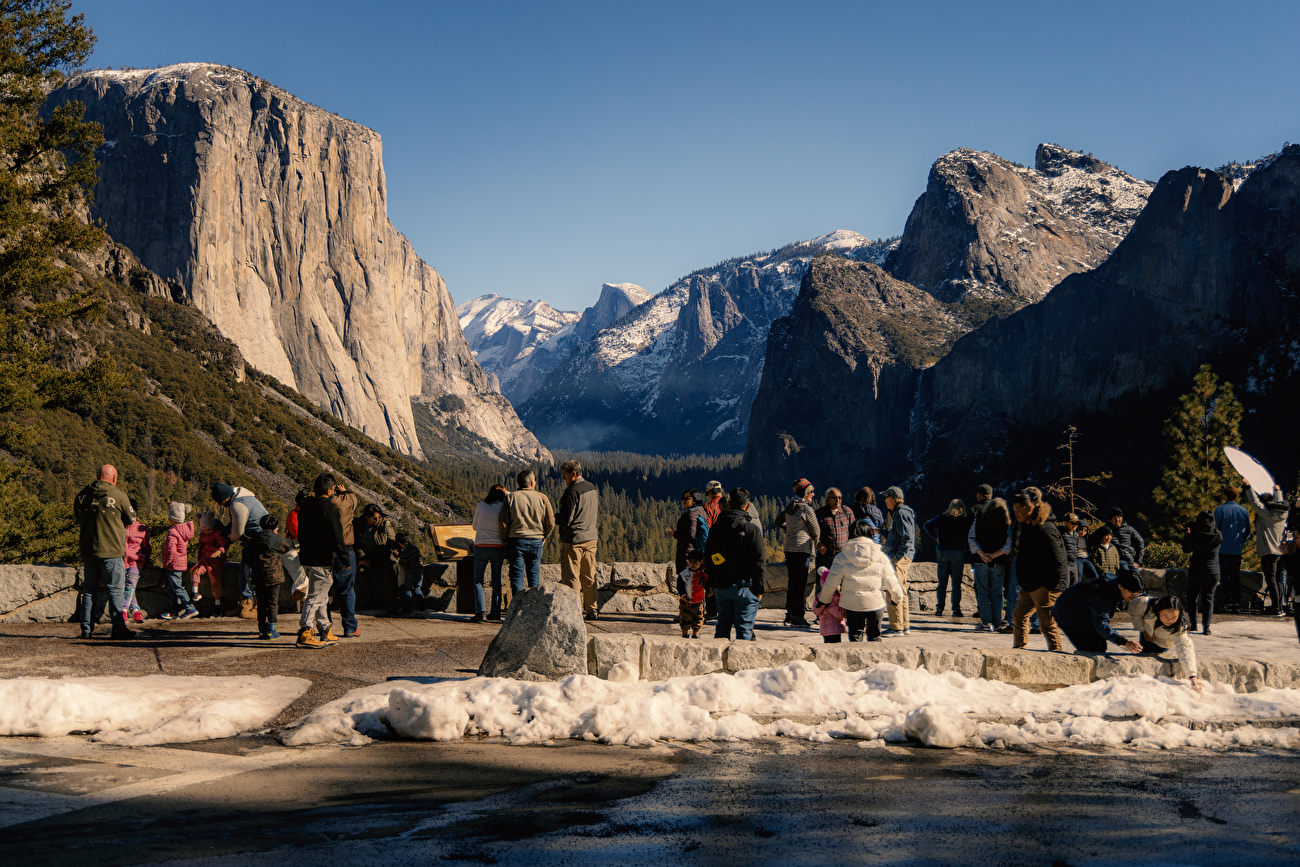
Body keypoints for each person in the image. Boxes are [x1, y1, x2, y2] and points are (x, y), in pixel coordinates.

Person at [74, 465, 139, 640]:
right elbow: (131, 519)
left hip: (89, 550)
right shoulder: (119, 496)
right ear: (114, 478)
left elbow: (78, 517)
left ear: (97, 476)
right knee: (116, 590)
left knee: (89, 590)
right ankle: (118, 628)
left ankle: (86, 630)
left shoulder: (81, 496)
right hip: (111, 550)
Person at [819, 518, 905, 642]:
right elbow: (891, 580)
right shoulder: (881, 556)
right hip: (876, 603)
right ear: (870, 534)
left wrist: (824, 600)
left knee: (855, 637)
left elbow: (831, 582)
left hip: (852, 605)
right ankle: (876, 660)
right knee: (875, 637)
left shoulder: (841, 557)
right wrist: (897, 598)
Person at [1009, 488, 1068, 651]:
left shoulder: (1045, 529)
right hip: (1030, 584)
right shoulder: (1027, 526)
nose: (1016, 515)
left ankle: (1056, 653)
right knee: (1019, 616)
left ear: (1029, 508)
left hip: (1045, 586)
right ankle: (1019, 649)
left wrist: (1047, 588)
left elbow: (1059, 562)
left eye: (1018, 511)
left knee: (1047, 624)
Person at [703, 488, 765, 641]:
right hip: (744, 587)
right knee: (744, 630)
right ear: (748, 506)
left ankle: (719, 661)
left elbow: (708, 556)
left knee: (722, 628)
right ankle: (743, 664)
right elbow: (759, 561)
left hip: (721, 588)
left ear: (729, 504)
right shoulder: (751, 530)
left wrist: (711, 582)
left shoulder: (716, 528)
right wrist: (760, 588)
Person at [296, 474, 346, 648]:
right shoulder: (329, 508)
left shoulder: (304, 508)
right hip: (321, 558)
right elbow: (337, 536)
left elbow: (300, 533)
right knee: (316, 596)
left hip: (307, 557)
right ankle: (305, 631)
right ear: (330, 490)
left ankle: (325, 629)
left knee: (322, 596)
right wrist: (344, 557)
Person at [1124, 594, 1204, 691]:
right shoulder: (1145, 604)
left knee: (1149, 654)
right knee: (1143, 652)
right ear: (1158, 611)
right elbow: (1133, 609)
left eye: (1174, 617)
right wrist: (1143, 631)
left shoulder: (1180, 628)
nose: (1170, 620)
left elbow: (1185, 649)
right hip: (1148, 631)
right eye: (1165, 616)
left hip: (1162, 642)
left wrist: (1192, 676)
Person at [1053, 569, 1145, 654]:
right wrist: (1124, 642)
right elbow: (1101, 624)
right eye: (1132, 593)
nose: (1135, 596)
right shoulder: (1103, 595)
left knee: (1100, 643)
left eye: (1137, 593)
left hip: (1083, 610)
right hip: (1067, 612)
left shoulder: (1116, 583)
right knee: (1094, 648)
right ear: (1120, 586)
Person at [210, 483, 266, 620]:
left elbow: (238, 532)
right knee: (243, 570)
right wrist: (221, 531)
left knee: (250, 573)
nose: (219, 504)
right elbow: (236, 522)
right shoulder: (243, 498)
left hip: (258, 541)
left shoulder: (238, 505)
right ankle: (246, 604)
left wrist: (227, 541)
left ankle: (258, 607)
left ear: (226, 498)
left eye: (220, 501)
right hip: (254, 540)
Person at [557, 460, 600, 621]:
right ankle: (592, 610)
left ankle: (574, 611)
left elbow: (566, 519)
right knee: (589, 575)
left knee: (572, 576)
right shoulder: (592, 488)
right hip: (591, 537)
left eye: (564, 475)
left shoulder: (572, 491)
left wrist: (553, 518)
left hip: (573, 539)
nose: (563, 478)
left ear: (573, 474)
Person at [500, 469, 555, 598]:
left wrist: (506, 539)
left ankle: (518, 610)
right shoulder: (542, 497)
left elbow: (503, 523)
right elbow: (551, 522)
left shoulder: (510, 497)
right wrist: (544, 536)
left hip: (516, 540)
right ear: (531, 483)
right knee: (534, 577)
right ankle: (533, 609)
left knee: (517, 577)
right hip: (536, 540)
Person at [968, 494, 1012, 633]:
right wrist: (994, 555)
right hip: (998, 562)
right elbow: (1008, 545)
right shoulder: (1007, 524)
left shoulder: (979, 520)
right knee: (997, 592)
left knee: (983, 591)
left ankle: (986, 622)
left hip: (980, 561)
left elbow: (971, 538)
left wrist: (982, 554)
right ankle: (997, 622)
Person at [1243, 483, 1289, 615]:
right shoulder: (1283, 512)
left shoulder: (1267, 514)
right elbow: (1278, 502)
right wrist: (1278, 491)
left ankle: (1275, 608)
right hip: (1280, 551)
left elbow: (1255, 503)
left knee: (1271, 579)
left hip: (1269, 551)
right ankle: (1279, 606)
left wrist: (1248, 488)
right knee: (1278, 580)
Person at [780, 478, 820, 628]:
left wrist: (791, 530)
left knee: (792, 582)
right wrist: (818, 545)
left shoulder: (791, 506)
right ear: (804, 492)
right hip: (802, 549)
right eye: (810, 492)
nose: (813, 494)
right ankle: (798, 615)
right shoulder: (805, 508)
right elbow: (816, 531)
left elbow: (779, 521)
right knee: (800, 583)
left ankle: (790, 613)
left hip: (789, 548)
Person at [878, 486, 915, 636]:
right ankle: (904, 625)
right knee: (901, 591)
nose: (885, 501)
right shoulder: (900, 513)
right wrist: (881, 532)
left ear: (892, 498)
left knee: (893, 590)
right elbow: (897, 535)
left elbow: (907, 538)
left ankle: (896, 627)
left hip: (899, 558)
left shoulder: (900, 513)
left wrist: (897, 557)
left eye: (886, 497)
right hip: (903, 557)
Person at [923, 499, 969, 617]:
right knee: (956, 583)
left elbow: (926, 525)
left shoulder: (942, 519)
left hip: (942, 551)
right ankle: (956, 609)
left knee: (942, 582)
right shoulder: (964, 521)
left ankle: (940, 608)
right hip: (957, 552)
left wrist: (936, 538)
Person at [325, 479, 360, 635]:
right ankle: (350, 627)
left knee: (322, 591)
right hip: (345, 550)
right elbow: (353, 498)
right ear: (332, 489)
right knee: (346, 589)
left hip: (323, 551)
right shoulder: (345, 503)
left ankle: (325, 627)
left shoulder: (318, 505)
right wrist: (344, 491)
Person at [246, 514, 289, 640]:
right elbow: (286, 549)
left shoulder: (254, 539)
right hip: (274, 576)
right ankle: (272, 629)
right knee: (272, 602)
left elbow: (247, 557)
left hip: (258, 575)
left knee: (261, 602)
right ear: (276, 526)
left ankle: (261, 629)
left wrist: (255, 566)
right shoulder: (277, 539)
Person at [1181, 510, 1222, 635]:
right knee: (1208, 598)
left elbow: (1186, 549)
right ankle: (1207, 627)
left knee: (1192, 596)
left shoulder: (1195, 535)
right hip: (1213, 571)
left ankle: (1193, 624)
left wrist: (1188, 534)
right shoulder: (1217, 535)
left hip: (1197, 570)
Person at [473, 485, 509, 622]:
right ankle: (495, 612)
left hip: (481, 545)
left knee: (478, 581)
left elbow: (474, 526)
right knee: (496, 581)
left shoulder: (481, 505)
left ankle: (480, 612)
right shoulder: (503, 507)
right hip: (498, 546)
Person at [355, 503, 399, 613]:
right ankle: (367, 600)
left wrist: (396, 549)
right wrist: (361, 557)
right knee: (362, 571)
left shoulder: (384, 524)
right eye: (374, 518)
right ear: (366, 516)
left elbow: (391, 541)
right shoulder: (358, 524)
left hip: (383, 555)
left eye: (379, 517)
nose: (377, 520)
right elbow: (355, 543)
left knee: (387, 571)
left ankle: (392, 601)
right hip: (367, 556)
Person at [1213, 485, 1250, 613]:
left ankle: (1228, 602)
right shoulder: (1243, 511)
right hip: (1237, 548)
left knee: (1225, 576)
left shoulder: (1220, 510)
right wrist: (1242, 542)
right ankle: (1236, 602)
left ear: (1225, 495)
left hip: (1223, 548)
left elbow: (1215, 529)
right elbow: (1248, 530)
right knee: (1235, 576)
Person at [158, 502, 197, 622]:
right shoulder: (184, 531)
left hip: (173, 564)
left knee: (177, 587)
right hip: (181, 563)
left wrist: (166, 562)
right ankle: (173, 611)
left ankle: (190, 608)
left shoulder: (173, 533)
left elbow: (171, 550)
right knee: (173, 588)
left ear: (173, 519)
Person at [667, 488, 709, 577]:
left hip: (688, 552)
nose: (684, 500)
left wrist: (675, 534)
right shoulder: (701, 511)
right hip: (696, 550)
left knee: (687, 580)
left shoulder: (692, 514)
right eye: (683, 498)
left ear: (695, 499)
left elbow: (691, 535)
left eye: (687, 498)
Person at [121, 500, 150, 625]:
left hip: (136, 562)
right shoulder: (119, 527)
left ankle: (123, 611)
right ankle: (135, 611)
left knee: (129, 586)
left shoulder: (142, 528)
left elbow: (147, 547)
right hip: (121, 562)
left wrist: (147, 560)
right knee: (129, 587)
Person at [700, 480, 725, 625]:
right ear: (721, 491)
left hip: (713, 547)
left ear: (709, 493)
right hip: (728, 546)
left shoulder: (707, 507)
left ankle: (711, 611)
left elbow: (706, 529)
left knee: (710, 577)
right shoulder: (728, 504)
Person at [193, 511, 228, 611]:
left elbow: (225, 542)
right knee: (194, 570)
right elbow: (200, 547)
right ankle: (195, 593)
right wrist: (199, 559)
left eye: (208, 530)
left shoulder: (218, 532)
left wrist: (220, 551)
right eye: (204, 530)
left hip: (216, 560)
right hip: (204, 558)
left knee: (214, 579)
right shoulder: (202, 534)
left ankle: (217, 603)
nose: (206, 532)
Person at [815, 488, 854, 573]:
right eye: (834, 498)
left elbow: (854, 531)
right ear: (827, 499)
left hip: (843, 555)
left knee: (842, 584)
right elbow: (812, 532)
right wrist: (818, 543)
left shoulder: (847, 511)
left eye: (840, 498)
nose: (838, 500)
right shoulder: (819, 513)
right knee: (824, 583)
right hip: (825, 556)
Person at [283, 489, 308, 607]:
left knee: (301, 566)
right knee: (301, 565)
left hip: (301, 548)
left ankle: (300, 592)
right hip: (294, 548)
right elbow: (298, 534)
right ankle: (301, 593)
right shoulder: (294, 515)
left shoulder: (302, 514)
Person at [811, 566, 848, 643]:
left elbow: (815, 610)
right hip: (835, 629)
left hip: (825, 629)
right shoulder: (834, 598)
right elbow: (840, 613)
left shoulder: (820, 595)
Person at [392, 531, 425, 615]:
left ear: (400, 543)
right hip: (420, 571)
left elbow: (403, 564)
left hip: (411, 572)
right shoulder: (415, 548)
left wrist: (399, 558)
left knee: (408, 589)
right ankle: (423, 604)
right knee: (417, 588)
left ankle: (407, 608)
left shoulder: (405, 551)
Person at [677, 550, 708, 638]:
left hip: (698, 602)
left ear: (701, 562)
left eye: (695, 562)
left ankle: (696, 634)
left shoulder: (703, 575)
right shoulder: (683, 574)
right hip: (685, 602)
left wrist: (710, 591)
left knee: (698, 618)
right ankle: (685, 634)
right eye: (690, 561)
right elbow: (680, 587)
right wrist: (684, 596)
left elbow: (707, 585)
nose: (692, 564)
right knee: (685, 618)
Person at [1060, 514, 1081, 586]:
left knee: (1075, 585)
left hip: (1074, 562)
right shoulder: (1061, 533)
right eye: (1072, 523)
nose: (1075, 525)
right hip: (1066, 563)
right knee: (1065, 585)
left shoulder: (1076, 534)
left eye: (1077, 523)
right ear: (1066, 522)